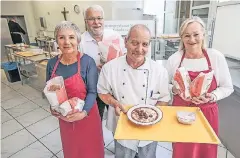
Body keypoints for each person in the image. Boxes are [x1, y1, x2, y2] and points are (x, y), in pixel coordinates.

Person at [97, 24, 171, 158]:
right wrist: (114, 103)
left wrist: (151, 117)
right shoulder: (110, 68)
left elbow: (164, 99)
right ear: (126, 42)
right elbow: (102, 92)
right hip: (122, 125)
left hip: (149, 130)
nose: (139, 49)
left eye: (144, 44)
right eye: (134, 43)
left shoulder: (159, 71)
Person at [165, 17, 234, 158]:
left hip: (207, 114)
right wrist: (174, 89)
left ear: (203, 34)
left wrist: (212, 96)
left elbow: (227, 87)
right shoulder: (175, 59)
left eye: (196, 34)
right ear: (182, 38)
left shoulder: (215, 57)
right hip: (180, 113)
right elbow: (164, 85)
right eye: (187, 35)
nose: (192, 39)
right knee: (181, 151)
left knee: (205, 152)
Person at [46, 21, 104, 158]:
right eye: (61, 37)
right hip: (65, 117)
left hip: (87, 116)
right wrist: (52, 107)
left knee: (91, 150)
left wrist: (83, 113)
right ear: (56, 40)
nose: (67, 42)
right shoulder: (51, 64)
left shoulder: (87, 62)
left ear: (78, 40)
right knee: (72, 150)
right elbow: (49, 90)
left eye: (71, 37)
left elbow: (92, 92)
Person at [79, 5, 127, 120]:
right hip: (93, 90)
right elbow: (78, 69)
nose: (96, 22)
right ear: (86, 21)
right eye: (91, 19)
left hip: (115, 87)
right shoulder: (80, 42)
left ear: (103, 20)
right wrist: (92, 69)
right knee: (96, 119)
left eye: (99, 18)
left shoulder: (115, 36)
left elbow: (126, 58)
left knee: (119, 119)